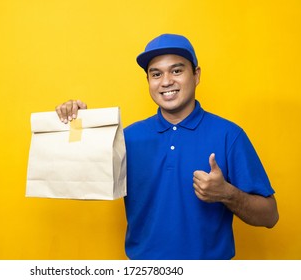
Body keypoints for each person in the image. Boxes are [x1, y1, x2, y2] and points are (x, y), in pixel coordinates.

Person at [55, 34, 279, 260]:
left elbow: (270, 216)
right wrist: (78, 125)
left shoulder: (229, 135)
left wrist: (227, 193)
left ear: (196, 75)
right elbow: (81, 180)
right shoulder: (126, 138)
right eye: (156, 74)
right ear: (149, 82)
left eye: (176, 70)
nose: (166, 81)